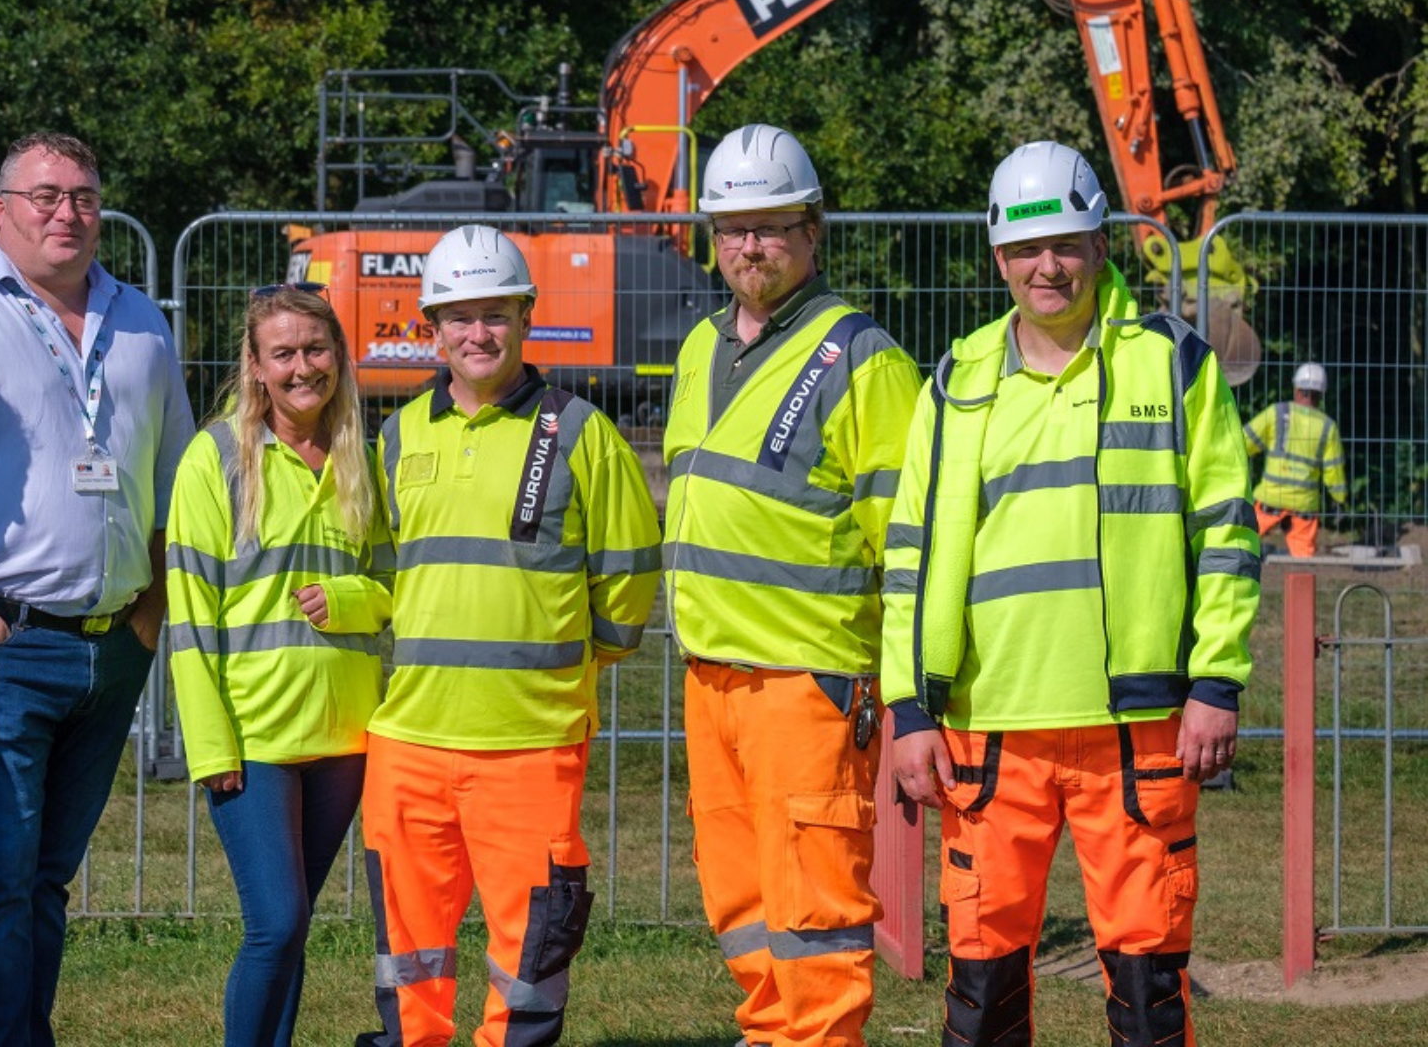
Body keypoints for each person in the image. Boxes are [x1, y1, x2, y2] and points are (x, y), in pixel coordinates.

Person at [880, 141, 1260, 1047]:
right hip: (987, 722)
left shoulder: (1174, 366)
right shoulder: (958, 379)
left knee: (1148, 975)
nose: (1045, 266)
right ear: (997, 256)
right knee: (981, 976)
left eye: (1065, 244)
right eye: (1025, 249)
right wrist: (907, 707)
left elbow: (1227, 532)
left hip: (1140, 726)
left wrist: (1217, 684)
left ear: (1100, 246)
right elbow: (911, 557)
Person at [0, 131, 195, 1046]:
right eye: (46, 195)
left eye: (86, 196)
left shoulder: (140, 319)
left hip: (114, 645)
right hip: (1, 642)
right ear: (2, 210)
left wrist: (149, 611)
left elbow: (176, 476)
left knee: (47, 874)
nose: (68, 212)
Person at [355, 225, 661, 1047]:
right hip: (409, 739)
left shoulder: (582, 431)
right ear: (431, 327)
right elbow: (382, 574)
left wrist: (562, 658)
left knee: (528, 950)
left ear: (527, 315)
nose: (477, 334)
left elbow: (628, 576)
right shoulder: (397, 436)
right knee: (408, 952)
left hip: (531, 740)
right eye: (458, 317)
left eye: (494, 314)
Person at [662, 123, 922, 1047]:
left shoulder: (863, 357)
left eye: (771, 225)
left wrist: (909, 698)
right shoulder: (699, 348)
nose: (750, 245)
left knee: (815, 909)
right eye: (732, 227)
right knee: (741, 901)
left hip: (807, 683)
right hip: (711, 677)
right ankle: (769, 1034)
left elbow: (907, 549)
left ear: (814, 231)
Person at [167, 283, 392, 1046]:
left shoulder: (367, 453)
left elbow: (394, 586)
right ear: (256, 366)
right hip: (254, 739)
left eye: (317, 348)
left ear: (339, 355)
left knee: (293, 928)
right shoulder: (216, 457)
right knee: (277, 921)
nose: (304, 367)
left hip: (345, 737)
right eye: (284, 353)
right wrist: (209, 744)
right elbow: (189, 611)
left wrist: (350, 599)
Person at [1245, 361, 1347, 557]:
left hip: (1270, 500)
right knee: (1302, 562)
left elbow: (1244, 442)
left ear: (1297, 389)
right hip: (1304, 506)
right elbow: (1334, 471)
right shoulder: (1327, 427)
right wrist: (1339, 499)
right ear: (1320, 394)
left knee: (1244, 543)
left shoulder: (1277, 413)